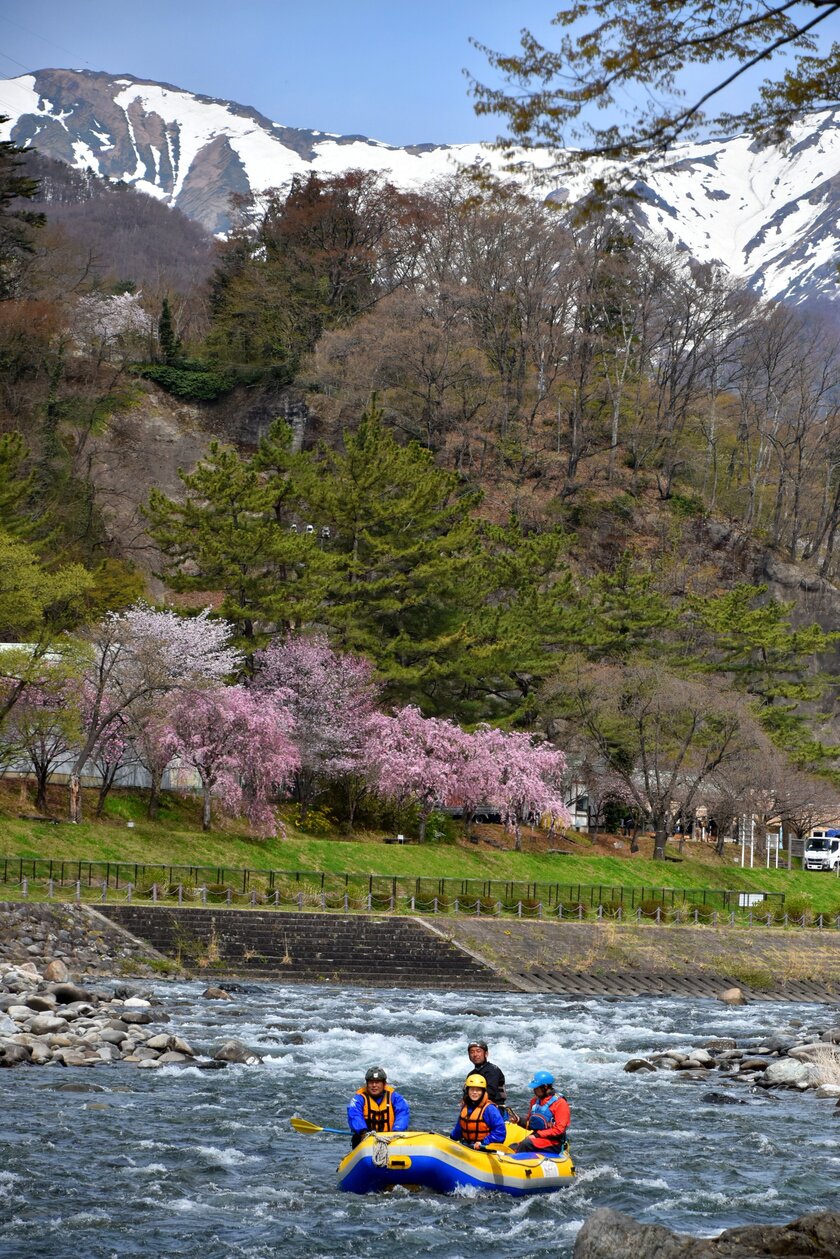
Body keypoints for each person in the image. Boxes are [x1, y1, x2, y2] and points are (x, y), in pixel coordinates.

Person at [347, 1066, 410, 1149]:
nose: (374, 1085)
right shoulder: (359, 1099)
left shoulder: (395, 1097)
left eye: (377, 1082)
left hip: (390, 1138)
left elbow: (402, 1113)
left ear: (384, 1084)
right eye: (371, 1082)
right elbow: (354, 1115)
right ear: (367, 1084)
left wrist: (397, 1131)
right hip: (365, 1138)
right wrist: (363, 1131)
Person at [513, 1070, 570, 1154]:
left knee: (526, 1144)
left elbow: (559, 1130)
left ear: (545, 1087)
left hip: (554, 1142)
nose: (534, 1090)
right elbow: (531, 1124)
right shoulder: (534, 1101)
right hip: (538, 1137)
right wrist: (518, 1120)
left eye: (536, 1088)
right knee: (513, 1146)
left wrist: (537, 1135)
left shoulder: (560, 1103)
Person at [450, 1073, 506, 1150]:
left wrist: (483, 1142)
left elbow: (500, 1132)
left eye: (478, 1090)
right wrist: (451, 1139)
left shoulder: (490, 1109)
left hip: (484, 1147)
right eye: (472, 1089)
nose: (475, 1092)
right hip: (467, 1145)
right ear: (467, 1091)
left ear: (483, 1092)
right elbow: (459, 1128)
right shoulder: (465, 1107)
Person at [467, 1040, 509, 1112]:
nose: (475, 1054)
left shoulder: (493, 1070)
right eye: (472, 1052)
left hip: (496, 1108)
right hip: (478, 1106)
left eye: (478, 1051)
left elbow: (490, 1093)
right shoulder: (471, 1074)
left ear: (486, 1054)